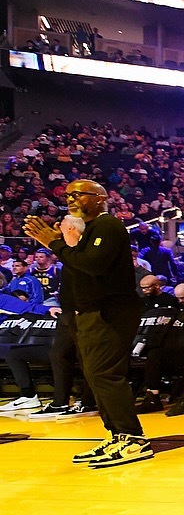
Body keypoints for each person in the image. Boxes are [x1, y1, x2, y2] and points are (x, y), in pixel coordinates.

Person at [23, 181, 150, 467]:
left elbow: (93, 264)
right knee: (94, 375)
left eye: (78, 194)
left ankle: (134, 438)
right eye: (68, 195)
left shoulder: (108, 225)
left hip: (111, 312)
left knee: (105, 374)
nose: (70, 199)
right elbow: (81, 269)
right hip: (90, 312)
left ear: (101, 198)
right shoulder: (89, 231)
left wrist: (54, 244)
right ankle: (117, 434)